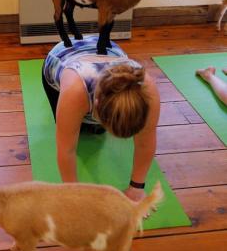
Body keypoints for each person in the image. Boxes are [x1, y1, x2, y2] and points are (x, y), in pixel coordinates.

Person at [42, 36, 160, 202]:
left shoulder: (147, 89)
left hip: (106, 49)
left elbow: (146, 140)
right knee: (82, 130)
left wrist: (137, 188)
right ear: (96, 104)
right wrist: (74, 194)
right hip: (61, 56)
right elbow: (66, 149)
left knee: (94, 130)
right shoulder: (75, 92)